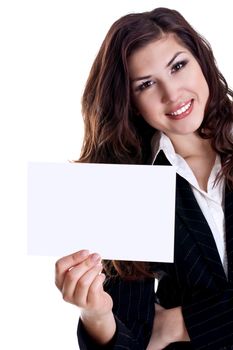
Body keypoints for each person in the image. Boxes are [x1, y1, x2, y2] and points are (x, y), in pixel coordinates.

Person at [55, 7, 233, 350]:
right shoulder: (130, 187)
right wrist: (97, 315)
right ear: (131, 102)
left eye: (178, 66)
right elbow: (137, 339)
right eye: (147, 84)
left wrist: (180, 323)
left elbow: (161, 332)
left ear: (201, 61)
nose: (172, 94)